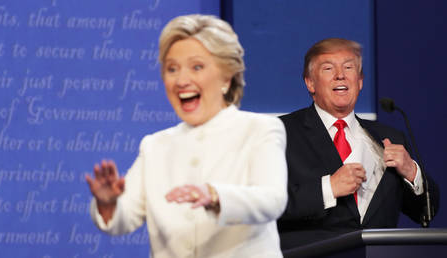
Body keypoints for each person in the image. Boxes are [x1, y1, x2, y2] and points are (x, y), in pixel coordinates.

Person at [85, 14, 288, 258]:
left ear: (227, 76)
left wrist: (214, 195)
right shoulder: (154, 146)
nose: (181, 80)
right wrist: (108, 203)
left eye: (197, 67)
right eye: (172, 69)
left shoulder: (260, 129)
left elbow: (272, 200)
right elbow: (124, 219)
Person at [277, 38, 439, 249]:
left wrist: (411, 171)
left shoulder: (389, 138)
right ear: (310, 82)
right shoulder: (281, 133)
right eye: (328, 68)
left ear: (360, 81)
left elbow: (425, 212)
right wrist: (328, 188)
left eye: (348, 67)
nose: (340, 75)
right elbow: (263, 206)